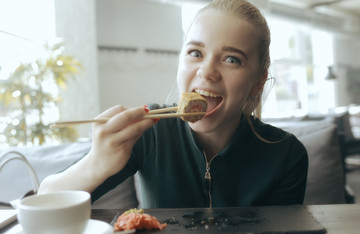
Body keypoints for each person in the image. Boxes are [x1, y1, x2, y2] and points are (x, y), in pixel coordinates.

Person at [39, 0, 308, 208]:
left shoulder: (286, 156)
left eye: (231, 59)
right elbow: (46, 199)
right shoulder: (150, 131)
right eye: (195, 53)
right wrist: (97, 162)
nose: (207, 71)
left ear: (257, 82)